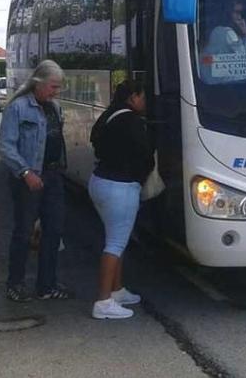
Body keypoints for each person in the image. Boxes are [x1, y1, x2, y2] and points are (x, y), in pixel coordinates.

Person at [0, 60, 73, 302]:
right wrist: (26, 172)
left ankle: (46, 285)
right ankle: (15, 284)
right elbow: (5, 146)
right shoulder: (18, 108)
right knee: (24, 232)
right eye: (53, 86)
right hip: (28, 178)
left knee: (54, 231)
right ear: (38, 83)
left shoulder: (55, 108)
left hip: (52, 176)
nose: (56, 92)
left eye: (58, 87)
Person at [87, 80, 154, 319]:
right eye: (143, 96)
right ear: (133, 97)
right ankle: (103, 301)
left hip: (99, 181)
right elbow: (145, 155)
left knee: (117, 238)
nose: (145, 101)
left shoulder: (109, 114)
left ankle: (116, 290)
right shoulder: (133, 122)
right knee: (115, 244)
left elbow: (95, 142)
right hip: (121, 187)